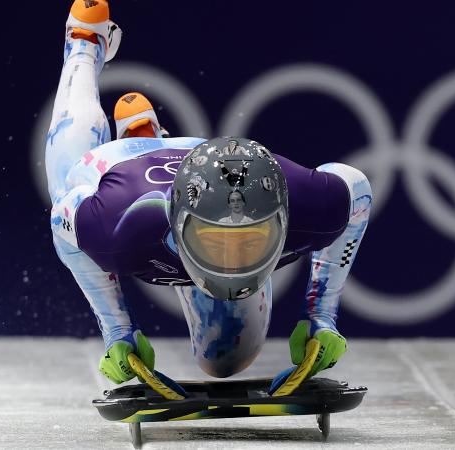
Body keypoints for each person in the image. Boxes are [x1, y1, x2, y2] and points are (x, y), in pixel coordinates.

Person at [47, 0, 373, 383]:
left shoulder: (309, 202)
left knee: (225, 359)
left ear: (283, 220)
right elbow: (62, 221)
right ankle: (85, 44)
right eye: (215, 240)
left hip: (202, 169)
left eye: (251, 240)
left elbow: (356, 189)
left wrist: (322, 316)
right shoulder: (118, 224)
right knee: (67, 177)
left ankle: (144, 133)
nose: (231, 261)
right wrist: (116, 329)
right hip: (116, 167)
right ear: (177, 222)